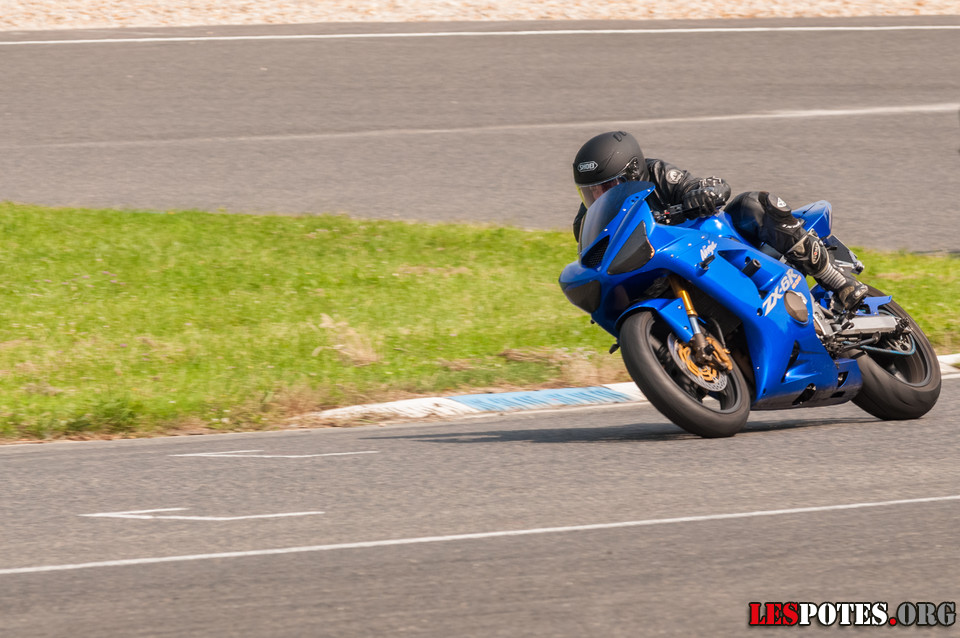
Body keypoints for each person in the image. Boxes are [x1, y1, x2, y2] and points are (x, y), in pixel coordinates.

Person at [571, 130, 867, 311]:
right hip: (662, 273)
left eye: (608, 187)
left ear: (634, 173)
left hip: (706, 247)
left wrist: (701, 195)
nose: (599, 197)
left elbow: (702, 186)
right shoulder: (587, 222)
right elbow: (595, 262)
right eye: (591, 192)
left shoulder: (659, 174)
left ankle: (836, 280)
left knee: (753, 204)